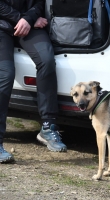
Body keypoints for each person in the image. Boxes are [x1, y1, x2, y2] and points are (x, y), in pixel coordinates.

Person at [0, 0, 67, 163]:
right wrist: (21, 19)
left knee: (47, 61)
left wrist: (29, 18)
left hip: (29, 24)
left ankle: (48, 126)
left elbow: (39, 2)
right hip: (2, 24)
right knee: (5, 74)